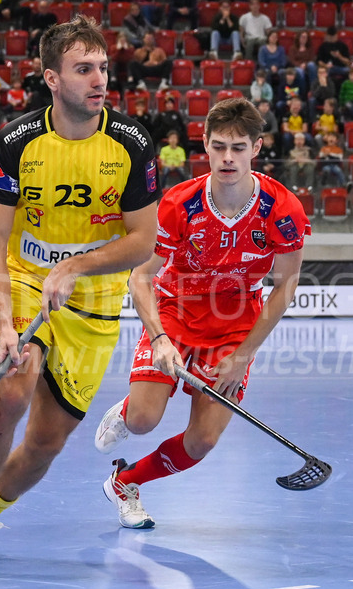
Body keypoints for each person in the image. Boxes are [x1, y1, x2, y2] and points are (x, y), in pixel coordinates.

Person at [0, 15, 160, 575]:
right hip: (26, 280)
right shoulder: (17, 140)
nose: (98, 79)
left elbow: (143, 243)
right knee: (12, 388)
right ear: (51, 79)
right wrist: (6, 320)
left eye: (102, 68)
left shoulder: (131, 143)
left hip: (96, 299)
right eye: (83, 69)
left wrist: (79, 265)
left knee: (45, 444)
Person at [93, 97, 308, 529]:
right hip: (174, 309)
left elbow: (286, 284)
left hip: (235, 325)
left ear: (258, 147)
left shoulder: (283, 211)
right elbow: (141, 277)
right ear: (205, 147)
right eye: (219, 146)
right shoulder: (178, 204)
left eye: (239, 147)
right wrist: (158, 338)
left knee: (202, 441)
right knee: (142, 421)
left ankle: (125, 483)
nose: (228, 158)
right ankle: (127, 410)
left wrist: (243, 355)